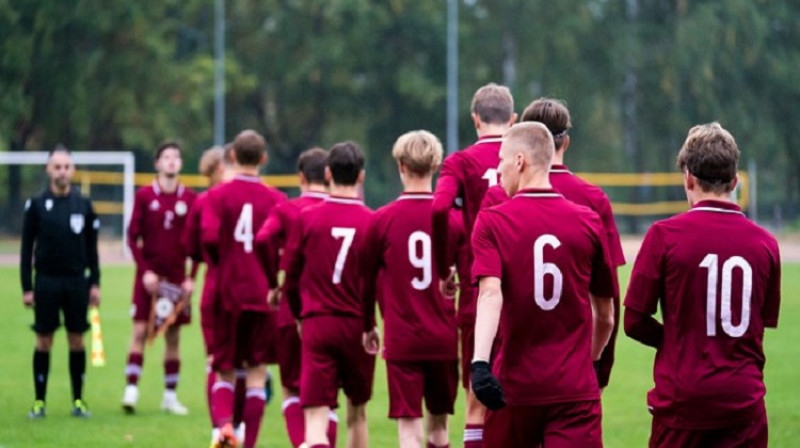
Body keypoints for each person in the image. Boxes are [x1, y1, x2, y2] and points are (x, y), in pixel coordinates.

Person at [624, 122, 781, 448]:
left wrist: (675, 341)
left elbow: (634, 321)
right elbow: (760, 322)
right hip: (743, 401)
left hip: (683, 401)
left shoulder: (664, 236)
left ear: (688, 178)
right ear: (735, 182)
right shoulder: (766, 244)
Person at [470, 122, 615, 447]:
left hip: (514, 388)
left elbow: (490, 294)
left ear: (519, 161)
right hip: (573, 389)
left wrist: (480, 364)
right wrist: (588, 362)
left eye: (501, 160)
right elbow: (605, 316)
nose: (498, 169)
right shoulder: (588, 221)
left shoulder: (492, 220)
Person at [431, 83, 516, 448]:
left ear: (475, 119)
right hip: (522, 289)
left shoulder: (460, 162)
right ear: (513, 120)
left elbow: (438, 207)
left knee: (476, 394)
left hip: (478, 287)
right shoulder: (524, 158)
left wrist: (443, 267)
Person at [361, 131, 459, 448]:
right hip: (443, 338)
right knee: (439, 429)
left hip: (402, 339)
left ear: (400, 166)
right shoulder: (456, 222)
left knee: (409, 431)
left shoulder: (381, 220)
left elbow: (366, 281)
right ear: (435, 165)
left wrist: (369, 325)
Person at [521, 97, 625, 388]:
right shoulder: (593, 199)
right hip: (575, 359)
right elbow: (609, 294)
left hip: (519, 360)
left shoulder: (508, 196)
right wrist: (600, 366)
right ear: (565, 142)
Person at [284, 141, 375, 448]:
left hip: (318, 323)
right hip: (357, 326)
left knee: (315, 416)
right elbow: (375, 281)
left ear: (327, 173)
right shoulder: (371, 221)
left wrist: (299, 315)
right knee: (357, 412)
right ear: (361, 177)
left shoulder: (307, 218)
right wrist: (370, 326)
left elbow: (291, 279)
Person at [202, 130, 287, 448]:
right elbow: (279, 245)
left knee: (224, 368)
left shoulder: (216, 196)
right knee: (256, 374)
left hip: (227, 293)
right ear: (264, 159)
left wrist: (221, 264)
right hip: (262, 295)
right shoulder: (276, 199)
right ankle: (247, 443)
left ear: (233, 157)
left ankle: (224, 426)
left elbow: (209, 238)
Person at [254, 147, 334, 448]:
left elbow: (262, 239)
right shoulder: (339, 207)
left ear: (300, 177)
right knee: (328, 395)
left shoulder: (288, 209)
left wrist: (274, 281)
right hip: (333, 309)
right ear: (328, 175)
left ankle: (302, 442)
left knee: (291, 388)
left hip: (292, 308)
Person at [20, 145, 101, 419]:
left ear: (73, 170)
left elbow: (92, 249)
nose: (62, 171)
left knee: (76, 340)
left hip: (77, 282)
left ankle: (78, 401)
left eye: (66, 166)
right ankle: (39, 402)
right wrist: (26, 287)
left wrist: (95, 283)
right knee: (44, 340)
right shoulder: (36, 205)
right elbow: (25, 249)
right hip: (46, 282)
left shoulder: (84, 205)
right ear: (48, 169)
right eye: (57, 166)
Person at [122, 141, 197, 415]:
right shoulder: (144, 196)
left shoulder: (190, 198)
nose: (172, 161)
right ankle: (131, 389)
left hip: (177, 280)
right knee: (140, 331)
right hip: (149, 279)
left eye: (176, 157)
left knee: (173, 337)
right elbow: (132, 238)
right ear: (157, 163)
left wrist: (192, 277)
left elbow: (198, 243)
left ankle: (169, 395)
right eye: (166, 156)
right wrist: (146, 272)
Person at [180, 145, 237, 442]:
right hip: (242, 290)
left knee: (218, 361)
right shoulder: (224, 200)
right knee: (238, 366)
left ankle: (221, 426)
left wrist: (193, 276)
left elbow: (190, 248)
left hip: (215, 289)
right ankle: (227, 427)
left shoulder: (204, 202)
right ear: (218, 168)